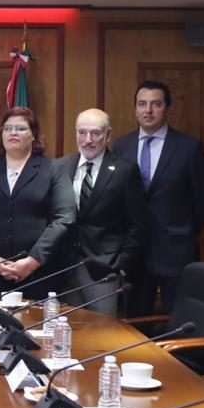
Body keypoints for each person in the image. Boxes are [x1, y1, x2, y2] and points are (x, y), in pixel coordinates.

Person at [112, 80, 204, 316]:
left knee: (178, 320)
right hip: (134, 254)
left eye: (156, 104)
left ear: (167, 108)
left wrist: (184, 230)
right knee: (135, 322)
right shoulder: (121, 147)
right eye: (142, 104)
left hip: (175, 251)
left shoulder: (189, 148)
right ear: (135, 109)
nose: (148, 110)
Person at [0, 107, 76, 299]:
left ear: (33, 135)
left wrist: (32, 261)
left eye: (21, 128)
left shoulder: (53, 169)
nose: (13, 133)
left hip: (39, 273)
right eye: (8, 128)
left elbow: (64, 218)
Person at [59, 109, 148, 317]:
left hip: (104, 269)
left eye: (95, 133)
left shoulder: (125, 171)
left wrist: (121, 266)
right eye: (82, 132)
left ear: (108, 135)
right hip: (65, 267)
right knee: (68, 327)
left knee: (102, 329)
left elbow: (138, 225)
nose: (87, 140)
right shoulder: (61, 166)